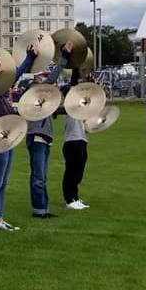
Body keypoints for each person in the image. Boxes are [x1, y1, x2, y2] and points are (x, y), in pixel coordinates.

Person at [0, 46, 38, 231]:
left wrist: (29, 57)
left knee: (3, 181)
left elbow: (16, 74)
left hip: (8, 138)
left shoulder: (2, 92)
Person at [24, 43, 72, 219]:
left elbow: (56, 109)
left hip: (44, 137)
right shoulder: (32, 91)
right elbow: (52, 79)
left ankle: (41, 208)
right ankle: (40, 210)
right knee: (38, 176)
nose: (44, 80)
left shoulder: (42, 99)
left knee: (41, 175)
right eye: (40, 77)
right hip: (37, 137)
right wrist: (64, 57)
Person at [61, 66, 91, 211]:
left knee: (79, 170)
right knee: (72, 171)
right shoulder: (70, 107)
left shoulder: (80, 110)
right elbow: (74, 88)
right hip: (72, 142)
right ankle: (69, 199)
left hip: (81, 141)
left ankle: (75, 197)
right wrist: (76, 69)